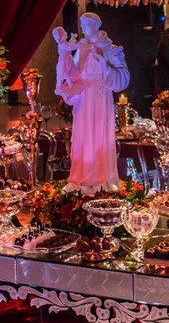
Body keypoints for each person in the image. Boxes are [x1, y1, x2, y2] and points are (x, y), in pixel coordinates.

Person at [53, 12, 130, 193]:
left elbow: (123, 78)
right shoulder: (82, 48)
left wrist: (104, 66)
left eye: (86, 26)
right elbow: (76, 74)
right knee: (82, 136)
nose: (84, 30)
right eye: (82, 26)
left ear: (95, 26)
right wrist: (66, 59)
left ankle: (102, 179)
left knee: (99, 136)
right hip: (83, 98)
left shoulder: (109, 48)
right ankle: (80, 178)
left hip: (101, 97)